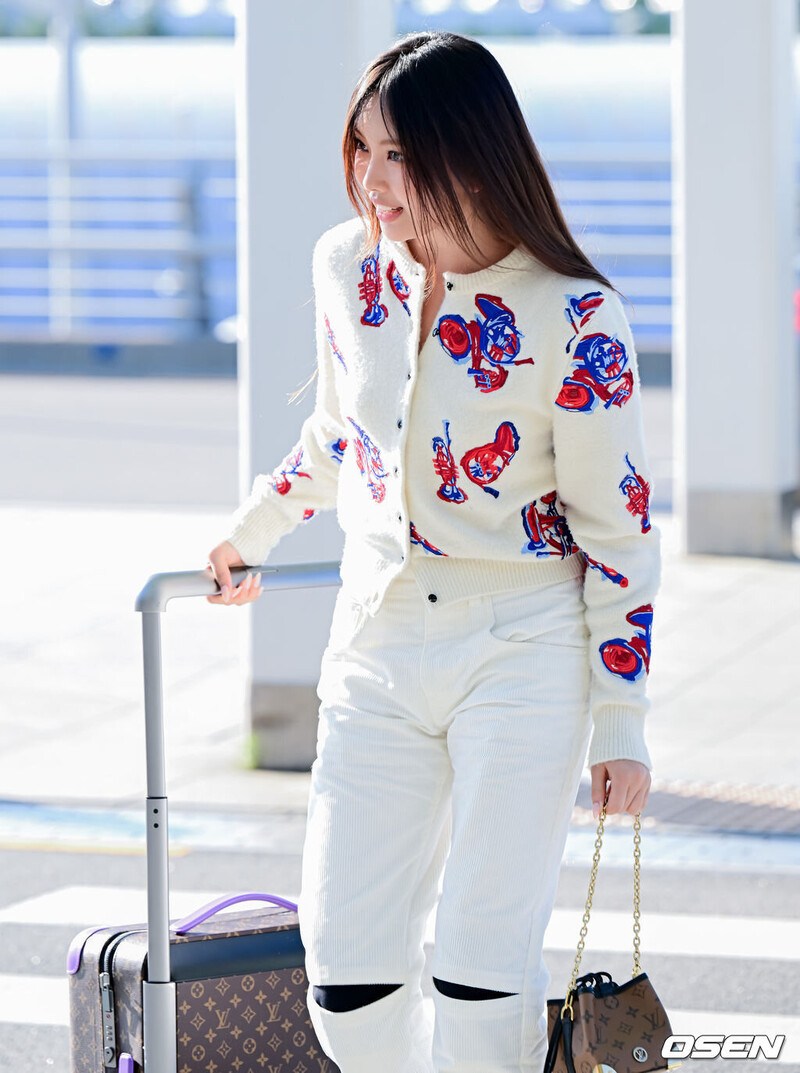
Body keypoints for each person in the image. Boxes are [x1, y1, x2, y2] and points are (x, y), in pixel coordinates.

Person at [205, 29, 659, 1073]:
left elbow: (617, 529)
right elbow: (339, 435)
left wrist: (620, 716)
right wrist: (250, 532)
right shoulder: (345, 267)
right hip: (376, 643)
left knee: (478, 965)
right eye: (360, 147)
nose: (371, 177)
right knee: (346, 973)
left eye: (398, 152)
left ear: (468, 150)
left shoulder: (576, 315)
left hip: (524, 646)